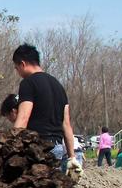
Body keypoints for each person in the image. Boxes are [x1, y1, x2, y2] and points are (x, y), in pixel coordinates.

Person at [11, 44, 79, 177]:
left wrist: (12, 146)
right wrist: (72, 157)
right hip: (57, 148)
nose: (17, 72)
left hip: (37, 147)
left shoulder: (28, 83)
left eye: (16, 68)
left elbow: (23, 118)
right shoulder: (58, 86)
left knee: (31, 185)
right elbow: (66, 124)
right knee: (50, 186)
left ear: (22, 64)